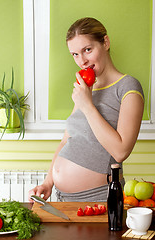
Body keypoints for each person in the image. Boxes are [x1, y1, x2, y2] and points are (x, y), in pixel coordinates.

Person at [28, 17, 144, 202]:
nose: (82, 60)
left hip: (98, 198)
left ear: (105, 43)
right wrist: (48, 182)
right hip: (63, 197)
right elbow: (67, 140)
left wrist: (87, 105)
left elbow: (121, 151)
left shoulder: (128, 87)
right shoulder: (86, 87)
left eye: (87, 50)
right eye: (75, 54)